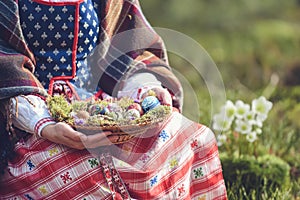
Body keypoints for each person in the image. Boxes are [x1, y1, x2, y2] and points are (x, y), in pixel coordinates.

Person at [0, 0, 227, 199]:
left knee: (191, 137)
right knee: (88, 169)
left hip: (98, 104)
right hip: (26, 119)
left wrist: (146, 89)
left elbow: (128, 50)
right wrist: (45, 126)